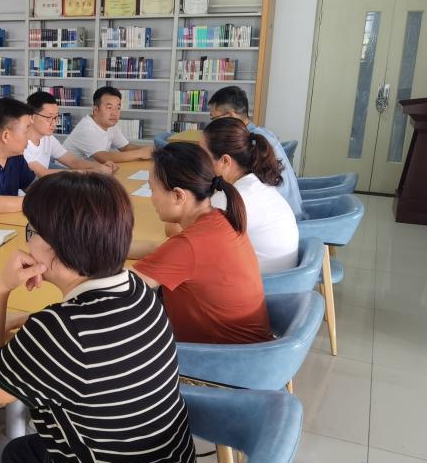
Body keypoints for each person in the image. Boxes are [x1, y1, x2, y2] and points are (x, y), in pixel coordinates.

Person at [0, 172, 197, 463]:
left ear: (56, 246)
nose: (28, 241)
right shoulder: (137, 289)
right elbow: (89, 340)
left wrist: (1, 287)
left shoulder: (61, 331)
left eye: (32, 231)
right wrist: (30, 324)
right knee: (19, 454)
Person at [129, 143, 271, 344]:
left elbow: (117, 291)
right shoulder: (219, 218)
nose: (151, 199)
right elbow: (160, 252)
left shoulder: (189, 245)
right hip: (251, 348)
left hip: (219, 355)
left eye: (152, 190)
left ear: (178, 195)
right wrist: (102, 249)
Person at [197, 116, 299, 273]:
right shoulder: (259, 184)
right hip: (285, 278)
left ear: (225, 161)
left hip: (265, 283)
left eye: (203, 155)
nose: (199, 160)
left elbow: (190, 239)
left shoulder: (229, 199)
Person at [208, 85, 303, 218]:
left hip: (281, 216)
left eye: (214, 119)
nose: (212, 125)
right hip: (289, 210)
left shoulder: (247, 144)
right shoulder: (261, 134)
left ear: (230, 115)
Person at [23, 90, 117, 176]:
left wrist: (100, 167)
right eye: (49, 118)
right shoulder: (22, 144)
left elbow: (72, 161)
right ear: (32, 117)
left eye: (56, 117)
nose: (54, 123)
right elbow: (42, 173)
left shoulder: (48, 138)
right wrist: (90, 171)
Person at [62, 86, 153, 164]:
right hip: (68, 174)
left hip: (90, 171)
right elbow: (104, 158)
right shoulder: (86, 128)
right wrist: (140, 153)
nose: (115, 113)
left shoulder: (110, 125)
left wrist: (151, 151)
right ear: (96, 109)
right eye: (109, 108)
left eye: (118, 108)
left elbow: (125, 147)